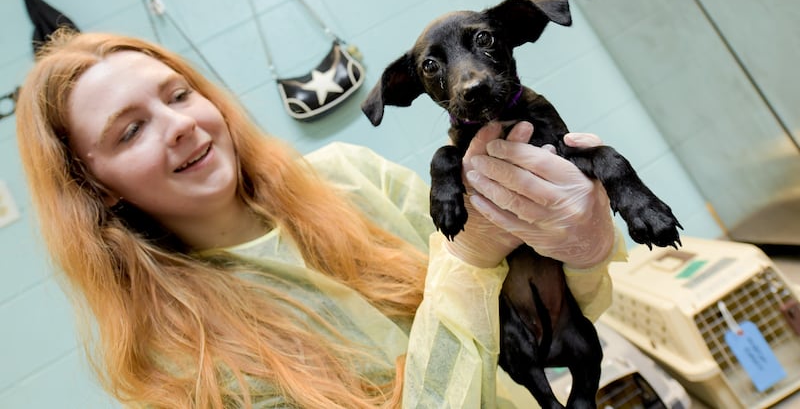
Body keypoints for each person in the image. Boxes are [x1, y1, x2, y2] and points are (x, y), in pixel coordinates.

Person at [16, 30, 627, 409]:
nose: (180, 124)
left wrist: (584, 247)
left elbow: (543, 330)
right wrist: (468, 259)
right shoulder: (174, 363)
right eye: (130, 130)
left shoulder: (349, 178)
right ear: (95, 185)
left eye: (178, 95)